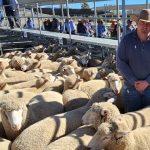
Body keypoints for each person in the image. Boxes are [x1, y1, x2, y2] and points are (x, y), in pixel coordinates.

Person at [116, 9, 150, 112]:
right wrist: (134, 81)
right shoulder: (127, 40)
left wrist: (147, 82)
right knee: (130, 121)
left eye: (148, 24)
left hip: (149, 89)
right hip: (131, 89)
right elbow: (120, 62)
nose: (145, 26)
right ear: (137, 22)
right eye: (142, 23)